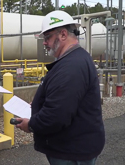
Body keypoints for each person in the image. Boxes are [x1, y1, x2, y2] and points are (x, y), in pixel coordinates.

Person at [15, 10, 105, 165]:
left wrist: (30, 125)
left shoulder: (71, 67)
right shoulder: (73, 60)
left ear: (63, 35)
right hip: (74, 147)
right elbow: (64, 102)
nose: (44, 42)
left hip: (71, 152)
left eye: (47, 37)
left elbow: (57, 115)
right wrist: (38, 106)